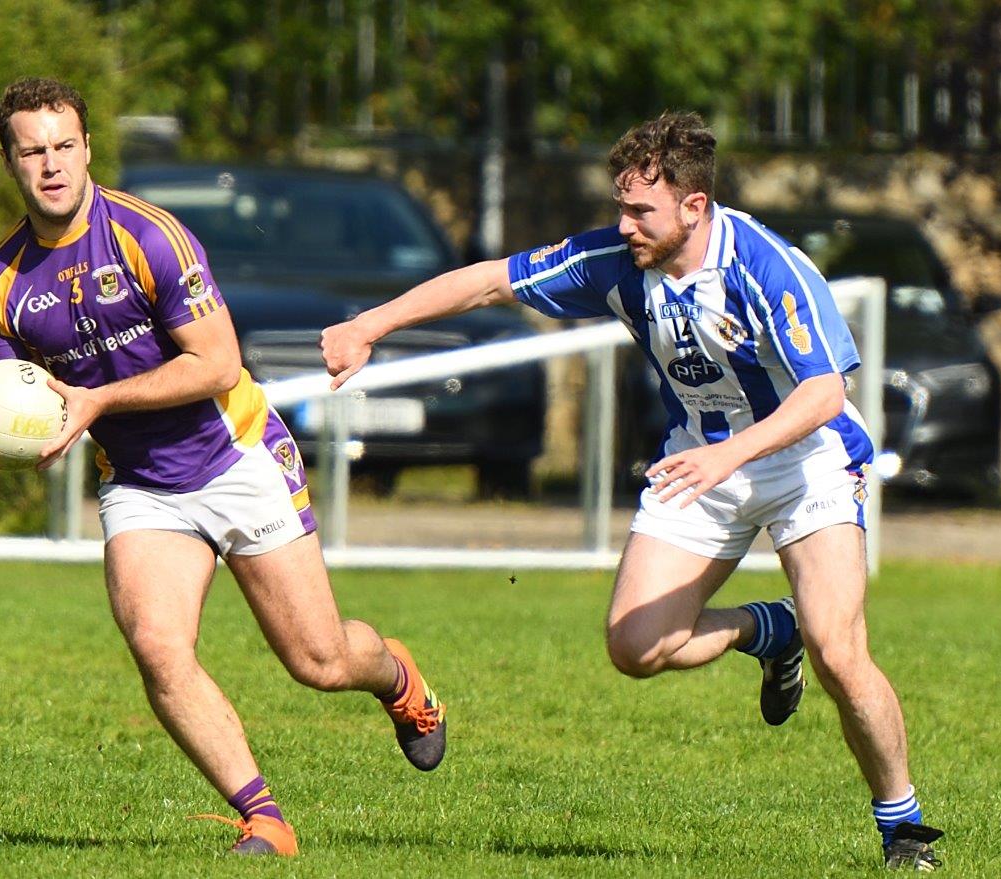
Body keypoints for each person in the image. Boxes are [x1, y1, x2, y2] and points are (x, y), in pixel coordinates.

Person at [322, 111, 942, 870]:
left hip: (805, 456)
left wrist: (734, 455)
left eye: (640, 209)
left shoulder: (767, 268)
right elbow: (490, 281)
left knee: (840, 650)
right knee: (635, 647)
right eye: (620, 205)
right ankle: (765, 631)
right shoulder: (618, 259)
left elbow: (823, 391)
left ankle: (902, 828)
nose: (624, 224)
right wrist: (369, 324)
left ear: (695, 207)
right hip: (699, 459)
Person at [0, 77, 445, 857]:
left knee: (319, 659)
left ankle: (398, 678)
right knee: (158, 646)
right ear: (9, 161)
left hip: (233, 452)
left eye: (65, 145)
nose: (52, 165)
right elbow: (24, 409)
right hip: (142, 484)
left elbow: (216, 363)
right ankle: (264, 818)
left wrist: (98, 402)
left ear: (88, 147)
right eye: (32, 150)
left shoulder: (148, 235)